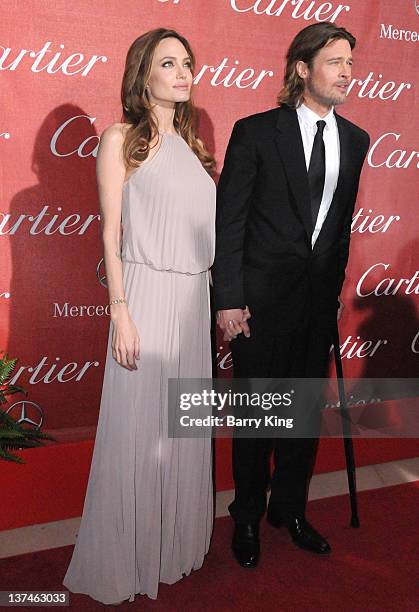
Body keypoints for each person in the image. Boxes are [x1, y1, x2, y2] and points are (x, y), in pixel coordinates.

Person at [63, 28, 216, 603]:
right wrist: (120, 312)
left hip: (193, 300)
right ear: (142, 75)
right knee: (140, 430)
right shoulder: (120, 138)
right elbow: (110, 232)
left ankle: (173, 545)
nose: (183, 73)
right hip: (146, 297)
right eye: (168, 63)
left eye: (188, 63)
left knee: (181, 430)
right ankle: (127, 553)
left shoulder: (197, 150)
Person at [212, 22, 370, 568]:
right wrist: (227, 298)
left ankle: (291, 510)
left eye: (350, 61)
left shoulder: (356, 140)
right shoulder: (256, 132)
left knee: (302, 414)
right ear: (302, 69)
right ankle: (249, 515)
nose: (346, 71)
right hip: (257, 305)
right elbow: (229, 221)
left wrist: (331, 296)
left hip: (314, 307)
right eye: (334, 61)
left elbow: (339, 227)